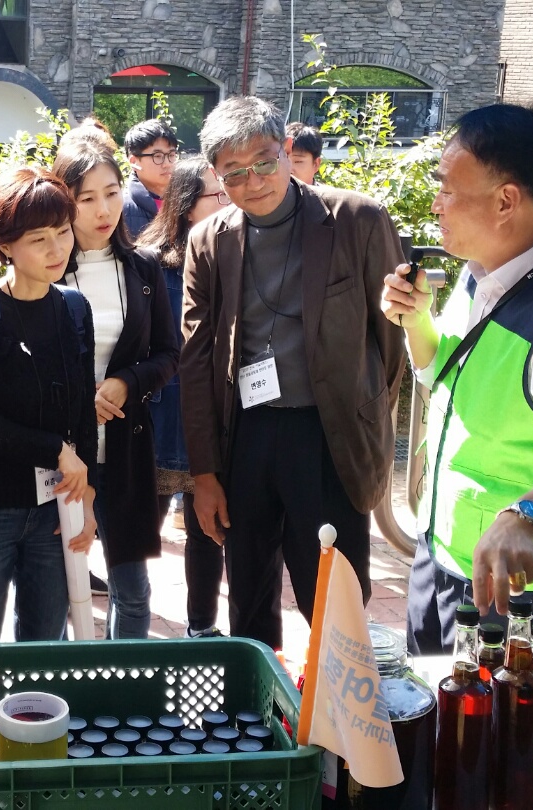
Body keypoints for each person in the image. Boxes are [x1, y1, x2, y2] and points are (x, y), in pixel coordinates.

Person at [382, 104, 533, 655]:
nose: (435, 203)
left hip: (517, 584)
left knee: (486, 735)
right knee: (429, 714)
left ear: (505, 201)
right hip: (447, 547)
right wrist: (417, 317)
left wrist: (526, 518)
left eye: (448, 189)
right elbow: (443, 371)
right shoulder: (488, 267)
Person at [181, 96, 405, 650]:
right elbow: (196, 359)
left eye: (264, 162)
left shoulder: (357, 219)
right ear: (216, 176)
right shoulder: (209, 241)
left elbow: (391, 340)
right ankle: (257, 710)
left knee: (333, 591)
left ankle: (340, 718)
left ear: (287, 152)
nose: (252, 182)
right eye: (233, 173)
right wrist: (205, 472)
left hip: (330, 435)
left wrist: (368, 420)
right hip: (248, 435)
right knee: (249, 587)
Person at [0, 167, 98, 642]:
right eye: (38, 239)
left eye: (64, 232)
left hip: (55, 509)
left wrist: (88, 497)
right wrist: (54, 450)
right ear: (5, 245)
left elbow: (82, 407)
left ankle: (34, 720)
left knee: (45, 644)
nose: (56, 249)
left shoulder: (73, 307)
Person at [52, 141, 179, 639]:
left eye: (111, 192)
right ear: (64, 200)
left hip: (126, 448)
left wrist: (126, 383)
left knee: (132, 588)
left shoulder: (144, 268)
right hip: (60, 457)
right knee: (56, 585)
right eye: (86, 199)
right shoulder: (46, 266)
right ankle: (56, 697)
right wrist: (82, 395)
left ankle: (120, 690)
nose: (103, 209)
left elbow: (170, 353)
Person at [136, 155, 232, 637]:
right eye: (218, 194)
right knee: (139, 534)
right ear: (187, 204)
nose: (228, 201)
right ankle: (130, 624)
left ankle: (201, 627)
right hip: (155, 416)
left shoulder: (231, 253)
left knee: (205, 529)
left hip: (206, 417)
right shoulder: (149, 263)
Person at [123, 119, 180, 238]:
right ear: (134, 161)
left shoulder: (186, 201)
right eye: (157, 156)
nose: (167, 164)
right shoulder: (122, 208)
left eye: (171, 155)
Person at [283, 122, 323, 186]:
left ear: (316, 164)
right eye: (284, 161)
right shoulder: (267, 195)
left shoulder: (329, 195)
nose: (289, 170)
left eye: (298, 161)